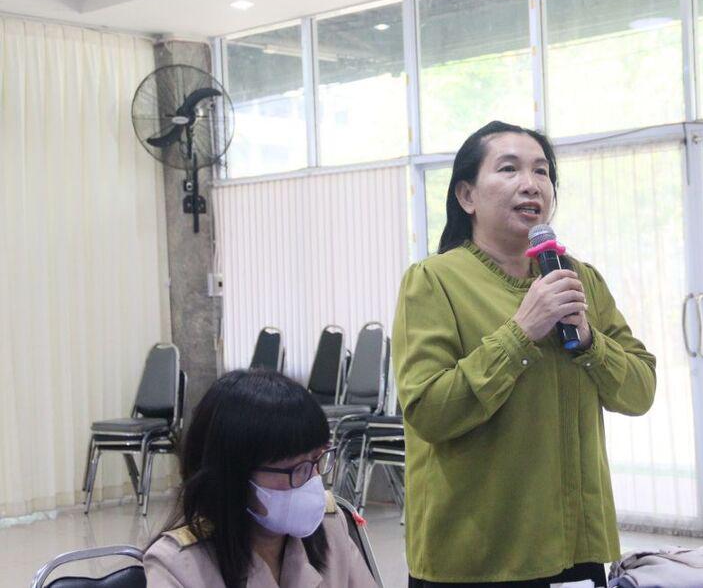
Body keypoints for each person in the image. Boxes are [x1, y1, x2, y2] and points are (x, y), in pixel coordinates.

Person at [393, 120, 657, 587]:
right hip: (477, 559)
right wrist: (521, 332)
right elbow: (429, 412)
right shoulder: (433, 281)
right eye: (509, 169)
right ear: (467, 196)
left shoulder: (580, 279)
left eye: (542, 171)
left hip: (576, 549)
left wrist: (590, 340)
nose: (531, 184)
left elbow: (640, 392)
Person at [144, 369, 378, 588]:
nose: (313, 479)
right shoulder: (178, 566)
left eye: (317, 459)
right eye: (297, 469)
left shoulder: (329, 526)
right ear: (234, 476)